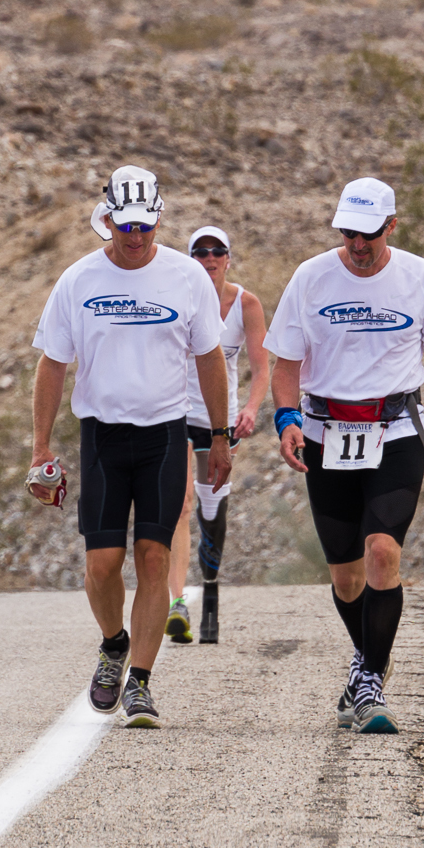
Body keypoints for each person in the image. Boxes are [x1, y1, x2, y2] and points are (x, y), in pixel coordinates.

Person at [27, 163, 231, 727]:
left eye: (145, 227)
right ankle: (113, 643)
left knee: (154, 556)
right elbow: (52, 365)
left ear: (158, 218)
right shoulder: (78, 281)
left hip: (165, 435)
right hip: (103, 435)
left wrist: (218, 435)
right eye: (126, 227)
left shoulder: (187, 277)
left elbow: (209, 359)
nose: (136, 237)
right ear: (108, 219)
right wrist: (40, 447)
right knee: (102, 563)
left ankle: (139, 681)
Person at [266, 175, 424, 734]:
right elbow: (285, 366)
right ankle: (368, 657)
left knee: (382, 553)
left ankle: (371, 681)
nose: (358, 246)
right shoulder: (310, 278)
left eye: (370, 235)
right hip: (326, 432)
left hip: (396, 431)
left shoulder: (419, 278)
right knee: (347, 576)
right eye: (349, 234)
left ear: (392, 226)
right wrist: (286, 420)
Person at [165, 224, 270, 645]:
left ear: (228, 258)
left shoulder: (246, 304)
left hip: (219, 420)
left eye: (217, 252)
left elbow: (263, 367)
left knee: (213, 510)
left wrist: (250, 407)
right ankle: (177, 604)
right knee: (179, 504)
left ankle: (209, 588)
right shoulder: (176, 297)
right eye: (200, 253)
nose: (209, 260)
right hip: (175, 414)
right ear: (191, 259)